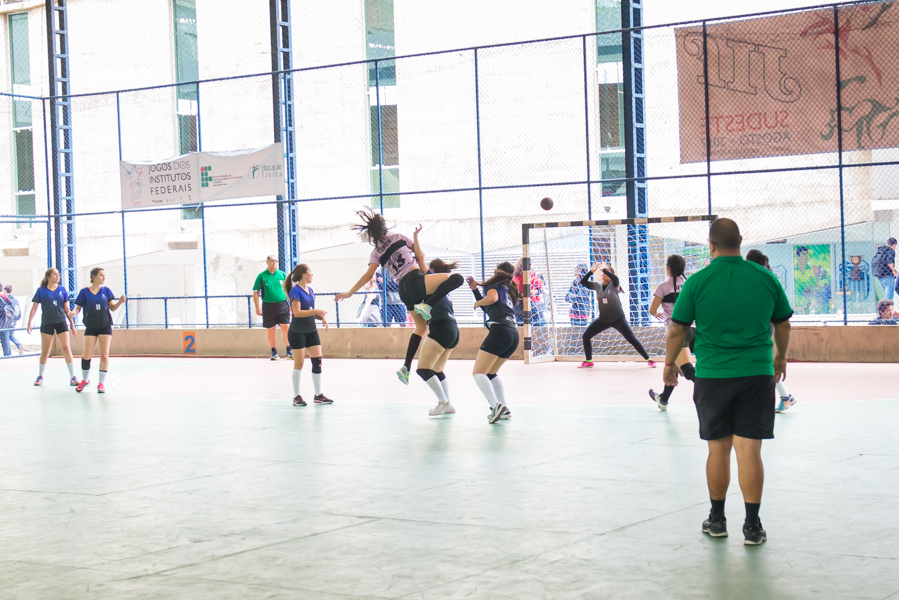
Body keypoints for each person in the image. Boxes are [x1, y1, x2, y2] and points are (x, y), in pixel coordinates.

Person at [663, 218, 793, 546]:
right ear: (740, 240)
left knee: (718, 448)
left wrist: (670, 364)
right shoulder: (764, 277)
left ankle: (717, 519)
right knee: (750, 449)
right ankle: (752, 526)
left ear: (711, 245)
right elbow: (783, 322)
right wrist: (779, 357)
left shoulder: (698, 281)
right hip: (757, 373)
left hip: (713, 376)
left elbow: (677, 328)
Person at [335, 209, 463, 384]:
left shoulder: (376, 253)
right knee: (457, 278)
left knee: (420, 329)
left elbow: (368, 275)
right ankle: (428, 304)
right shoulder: (398, 237)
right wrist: (416, 237)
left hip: (403, 289)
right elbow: (420, 256)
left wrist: (349, 293)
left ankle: (406, 367)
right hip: (415, 280)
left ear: (371, 233)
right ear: (385, 227)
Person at [746, 249, 798, 413]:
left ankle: (785, 396)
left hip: (762, 325)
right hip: (765, 323)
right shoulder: (768, 276)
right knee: (762, 361)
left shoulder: (757, 278)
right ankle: (784, 396)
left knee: (763, 363)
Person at [468, 262, 519, 424]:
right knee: (490, 373)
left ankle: (495, 406)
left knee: (478, 373)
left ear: (497, 271)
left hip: (500, 331)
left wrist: (477, 302)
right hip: (512, 333)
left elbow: (491, 299)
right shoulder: (508, 289)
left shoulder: (494, 284)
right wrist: (475, 290)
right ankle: (503, 407)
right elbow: (490, 306)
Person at [577, 263, 655, 369]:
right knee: (586, 336)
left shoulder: (614, 284)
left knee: (631, 338)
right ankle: (589, 360)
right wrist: (591, 271)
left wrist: (604, 269)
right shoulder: (598, 285)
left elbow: (615, 278)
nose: (603, 274)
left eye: (606, 272)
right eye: (603, 272)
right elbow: (583, 282)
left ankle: (649, 359)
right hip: (603, 319)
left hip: (618, 319)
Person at [648, 255, 695, 411]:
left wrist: (656, 314)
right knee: (675, 365)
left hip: (677, 332)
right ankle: (663, 399)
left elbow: (652, 310)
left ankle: (712, 389)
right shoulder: (689, 284)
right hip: (695, 329)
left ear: (668, 268)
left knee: (685, 369)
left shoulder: (663, 287)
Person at [71, 268, 127, 393]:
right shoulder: (84, 292)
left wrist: (120, 302)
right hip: (91, 327)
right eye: (101, 275)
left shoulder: (106, 291)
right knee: (86, 355)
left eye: (104, 275)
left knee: (104, 355)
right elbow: (78, 308)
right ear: (94, 276)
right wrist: (73, 314)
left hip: (105, 326)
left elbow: (112, 307)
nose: (103, 277)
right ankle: (85, 380)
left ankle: (101, 383)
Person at [284, 263, 333, 407]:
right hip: (297, 332)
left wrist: (321, 317)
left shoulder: (310, 290)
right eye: (310, 272)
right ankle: (296, 396)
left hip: (311, 331)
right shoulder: (295, 292)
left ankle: (318, 395)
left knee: (317, 361)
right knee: (299, 364)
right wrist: (316, 311)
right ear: (304, 274)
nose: (312, 274)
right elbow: (297, 313)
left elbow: (309, 311)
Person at [417, 259, 460, 417]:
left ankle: (444, 402)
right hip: (453, 329)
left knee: (423, 369)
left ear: (432, 271)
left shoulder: (432, 283)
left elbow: (420, 260)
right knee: (437, 370)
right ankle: (447, 403)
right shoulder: (444, 291)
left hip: (441, 328)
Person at [26, 268, 78, 386]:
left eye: (58, 275)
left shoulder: (62, 290)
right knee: (45, 350)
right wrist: (30, 322)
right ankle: (40, 376)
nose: (57, 276)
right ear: (48, 277)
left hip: (60, 322)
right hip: (47, 323)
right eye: (55, 274)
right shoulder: (41, 291)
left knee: (66, 347)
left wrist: (72, 323)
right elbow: (34, 307)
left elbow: (66, 309)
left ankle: (73, 377)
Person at [253, 255, 293, 361]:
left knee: (286, 327)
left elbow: (288, 290)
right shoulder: (261, 276)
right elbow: (255, 292)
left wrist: (291, 304)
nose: (274, 263)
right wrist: (257, 307)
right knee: (271, 329)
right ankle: (274, 352)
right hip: (268, 306)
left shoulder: (282, 274)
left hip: (283, 305)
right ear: (267, 262)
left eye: (276, 261)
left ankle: (289, 351)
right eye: (272, 261)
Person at [2, 285, 24, 355]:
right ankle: (19, 345)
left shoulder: (5, 299)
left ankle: (8, 354)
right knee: (10, 336)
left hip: (7, 320)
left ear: (5, 290)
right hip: (14, 320)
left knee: (6, 337)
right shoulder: (15, 300)